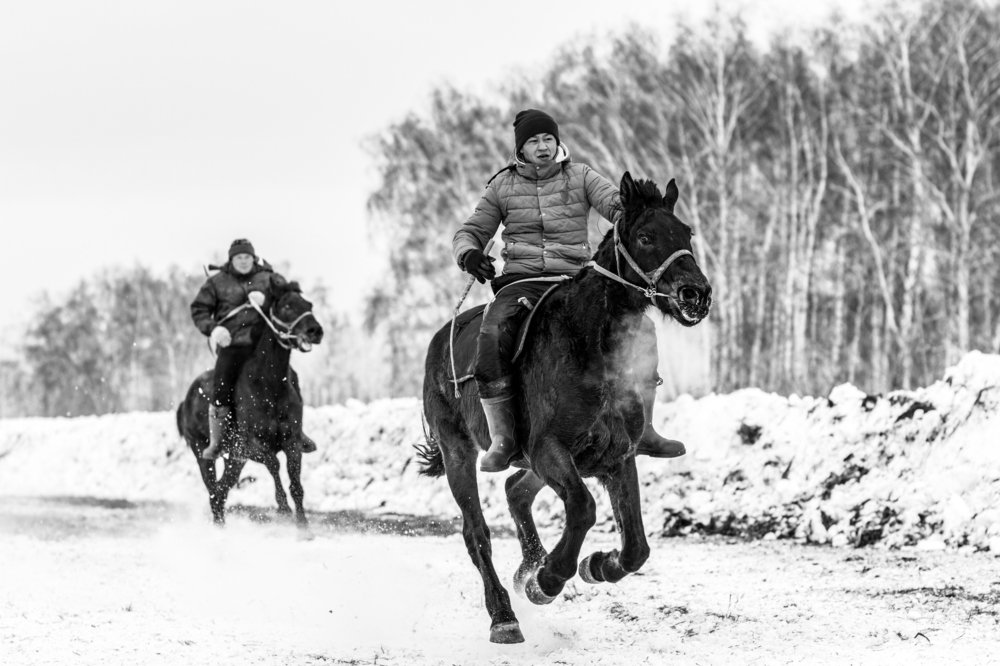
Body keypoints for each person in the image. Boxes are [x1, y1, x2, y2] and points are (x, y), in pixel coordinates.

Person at [453, 109, 686, 473]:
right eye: (533, 141)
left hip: (576, 281)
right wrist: (468, 254)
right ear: (521, 149)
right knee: (492, 332)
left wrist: (643, 214)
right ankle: (502, 437)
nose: (542, 146)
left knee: (642, 329)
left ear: (557, 141)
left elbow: (616, 206)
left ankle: (646, 430)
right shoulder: (502, 187)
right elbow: (471, 231)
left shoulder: (581, 176)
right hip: (522, 281)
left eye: (548, 139)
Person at [190, 238, 316, 459]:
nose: (243, 261)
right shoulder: (216, 283)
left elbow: (287, 298)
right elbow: (199, 310)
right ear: (231, 259)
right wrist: (214, 330)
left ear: (253, 257)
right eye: (239, 257)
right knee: (222, 385)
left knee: (290, 378)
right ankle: (219, 440)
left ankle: (297, 431)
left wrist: (265, 300)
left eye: (247, 257)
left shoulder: (268, 278)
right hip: (233, 344)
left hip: (264, 343)